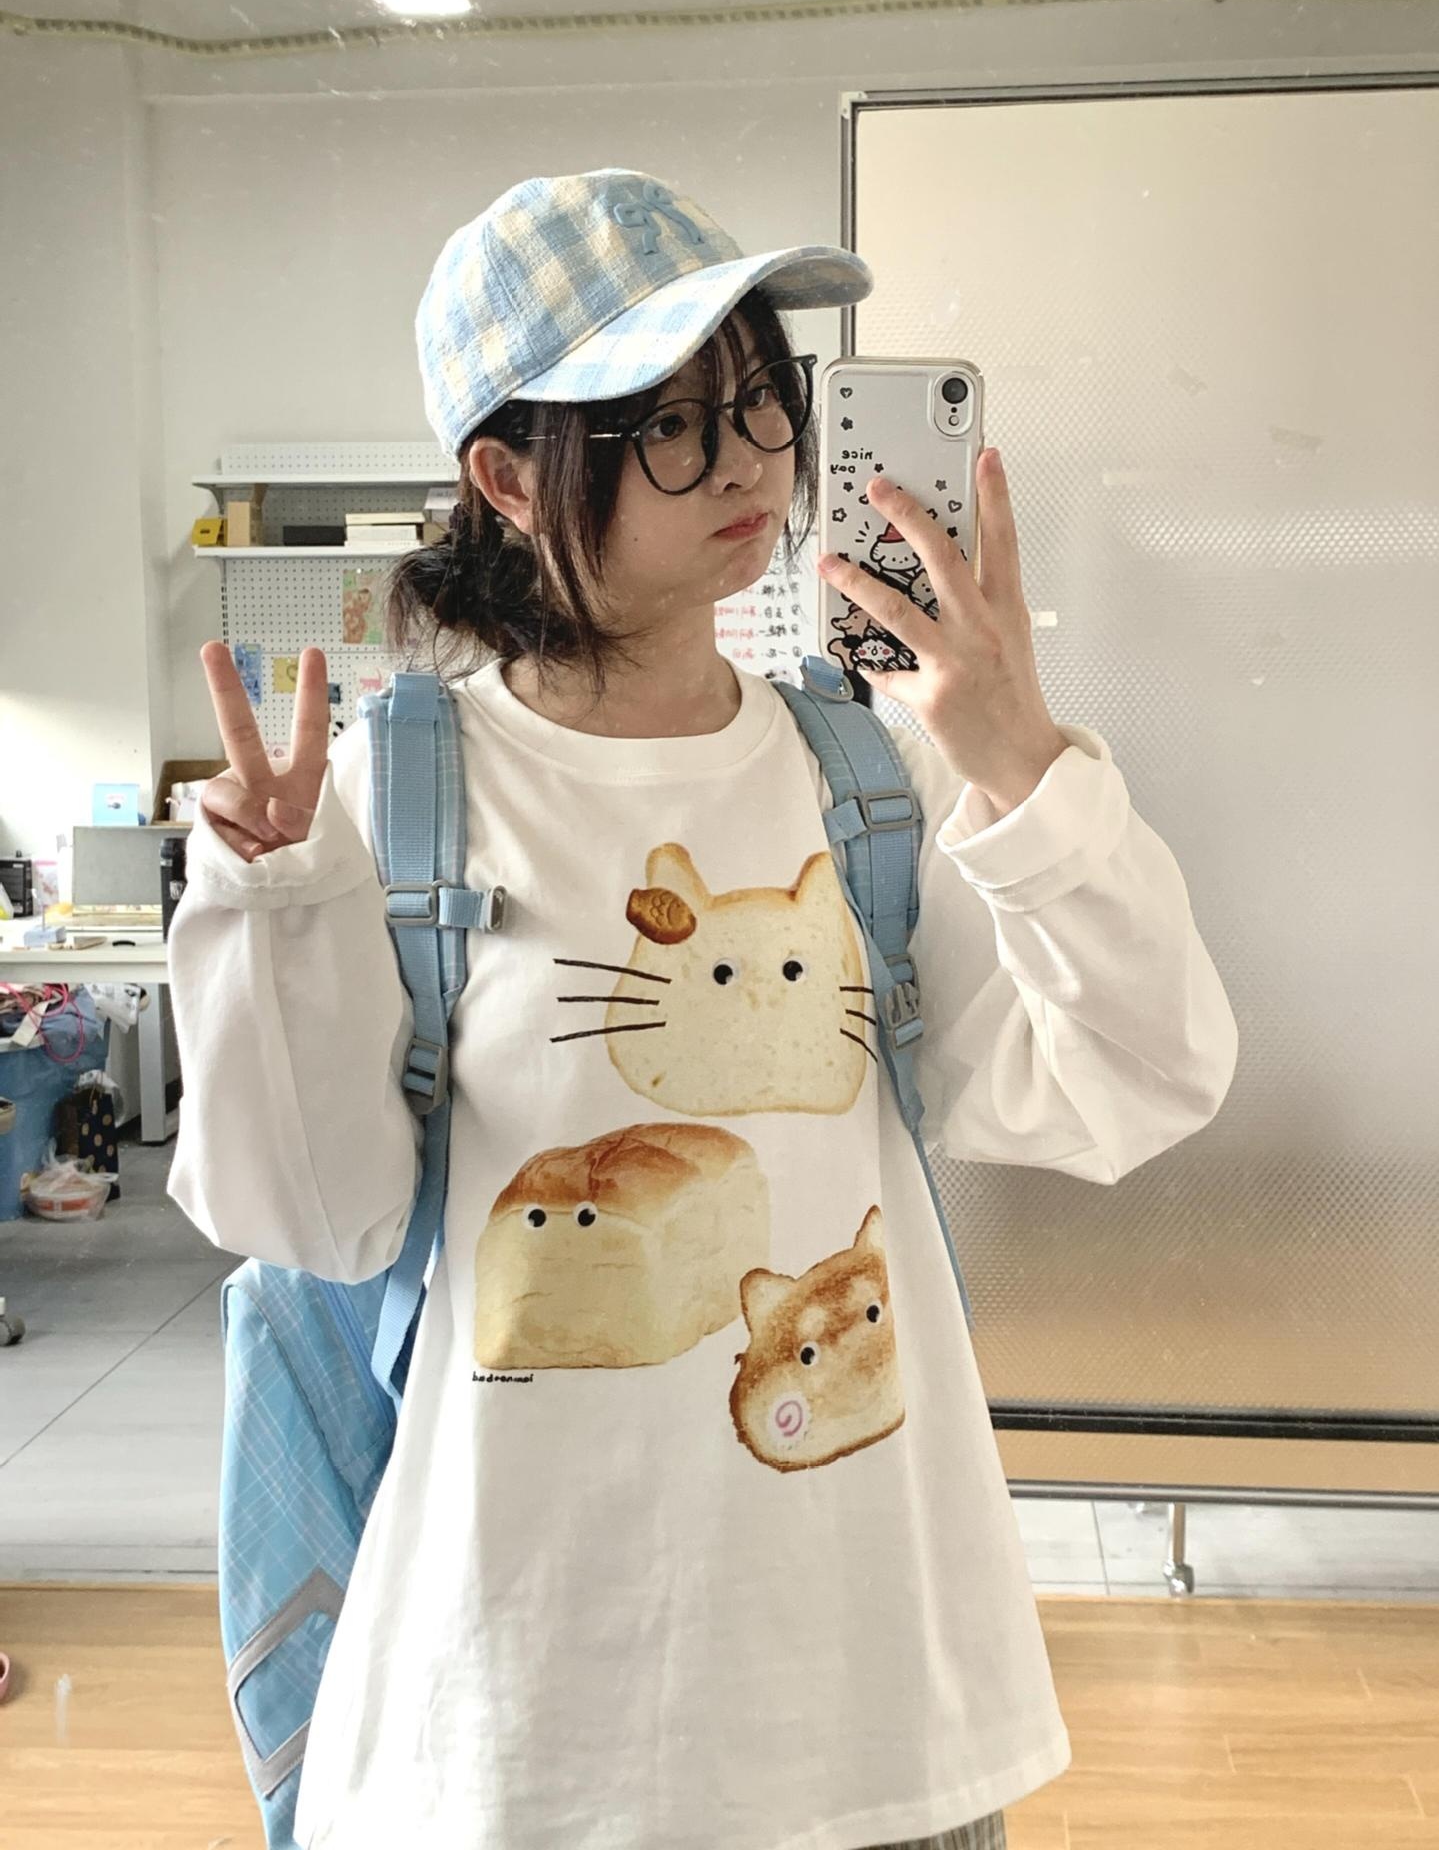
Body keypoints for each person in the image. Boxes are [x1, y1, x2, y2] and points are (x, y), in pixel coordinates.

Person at [166, 167, 1238, 1850]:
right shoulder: (394, 794)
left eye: (758, 402)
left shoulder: (866, 776)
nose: (747, 463)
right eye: (667, 427)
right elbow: (311, 1216)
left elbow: (1140, 1080)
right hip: (512, 1724)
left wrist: (1023, 762)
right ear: (506, 478)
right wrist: (267, 911)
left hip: (868, 1716)